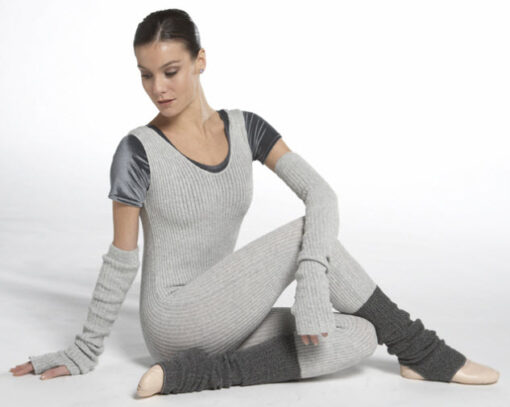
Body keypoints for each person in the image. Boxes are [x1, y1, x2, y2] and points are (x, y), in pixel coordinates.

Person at [10, 8, 499, 396]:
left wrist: (311, 282)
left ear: (201, 61)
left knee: (359, 335)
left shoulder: (246, 128)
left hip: (230, 315)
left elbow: (321, 193)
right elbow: (122, 258)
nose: (158, 88)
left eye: (171, 71)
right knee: (305, 235)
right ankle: (420, 349)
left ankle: (198, 374)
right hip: (174, 319)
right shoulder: (136, 150)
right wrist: (84, 348)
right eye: (146, 75)